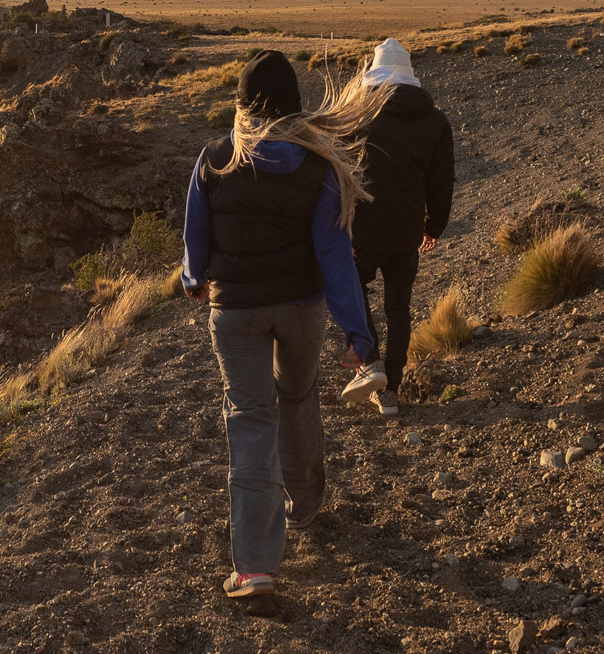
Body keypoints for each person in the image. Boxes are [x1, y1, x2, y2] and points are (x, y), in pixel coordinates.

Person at [181, 50, 392, 599]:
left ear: (242, 104)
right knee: (297, 399)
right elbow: (336, 258)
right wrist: (358, 335)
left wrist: (193, 278)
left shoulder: (213, 160)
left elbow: (194, 245)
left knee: (250, 421)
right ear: (294, 106)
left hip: (235, 314)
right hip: (300, 309)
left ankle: (254, 568)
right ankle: (305, 504)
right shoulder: (318, 167)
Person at [350, 39, 455, 417]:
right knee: (399, 307)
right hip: (407, 230)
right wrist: (434, 227)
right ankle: (390, 390)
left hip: (362, 227)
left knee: (351, 290)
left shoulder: (359, 115)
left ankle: (371, 363)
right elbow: (442, 180)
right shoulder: (436, 121)